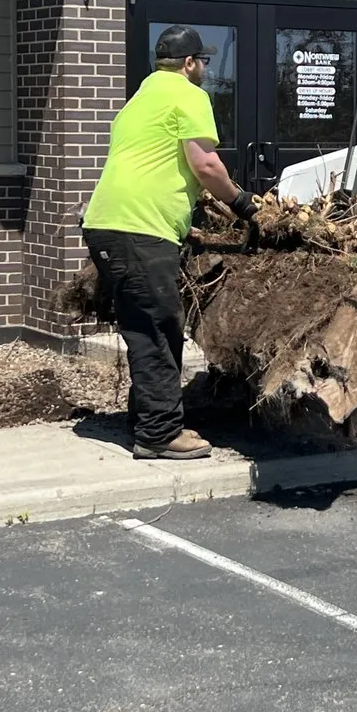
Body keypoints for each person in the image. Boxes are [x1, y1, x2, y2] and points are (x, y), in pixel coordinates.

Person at [81, 25, 259, 461]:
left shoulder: (138, 101)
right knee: (160, 329)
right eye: (204, 62)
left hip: (106, 224)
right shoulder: (189, 96)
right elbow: (205, 165)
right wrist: (242, 203)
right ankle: (159, 434)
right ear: (189, 63)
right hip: (143, 229)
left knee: (144, 328)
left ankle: (147, 419)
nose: (205, 71)